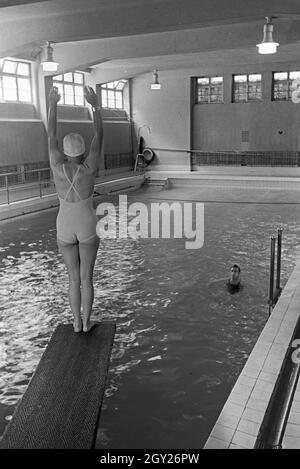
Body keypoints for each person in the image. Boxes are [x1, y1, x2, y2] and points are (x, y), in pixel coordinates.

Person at [48, 85, 103, 332]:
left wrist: (52, 105)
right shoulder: (89, 167)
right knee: (86, 279)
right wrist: (95, 105)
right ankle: (88, 321)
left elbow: (51, 136)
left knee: (72, 279)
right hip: (86, 225)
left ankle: (76, 323)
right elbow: (99, 135)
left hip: (64, 227)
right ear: (82, 151)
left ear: (65, 151)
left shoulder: (57, 166)